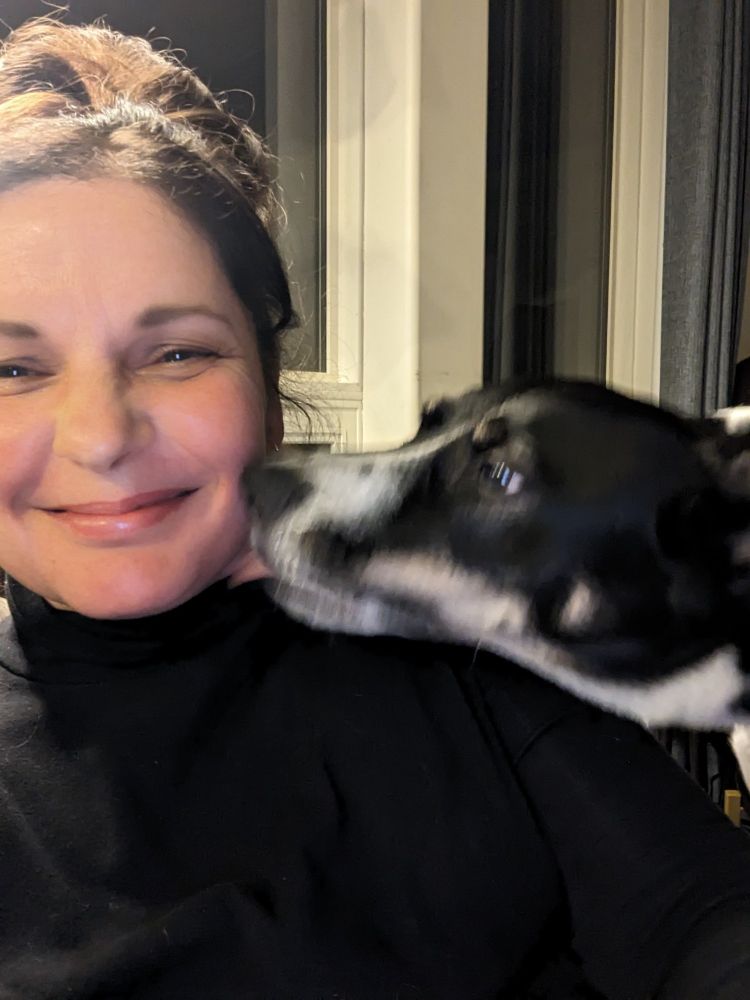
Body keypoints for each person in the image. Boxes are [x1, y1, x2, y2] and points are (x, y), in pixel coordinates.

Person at [0, 15, 749, 1000]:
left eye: (178, 350)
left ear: (268, 390)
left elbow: (705, 925)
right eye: (14, 366)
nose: (100, 434)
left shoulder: (461, 653)